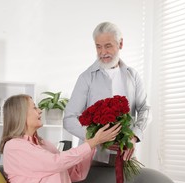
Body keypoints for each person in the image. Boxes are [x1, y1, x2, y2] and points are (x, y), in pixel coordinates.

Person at [64, 21, 151, 164]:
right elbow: (69, 118)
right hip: (93, 159)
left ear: (120, 44)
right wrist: (95, 138)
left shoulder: (133, 76)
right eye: (98, 46)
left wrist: (133, 136)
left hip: (126, 157)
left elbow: (145, 109)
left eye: (108, 46)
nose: (103, 52)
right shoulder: (86, 78)